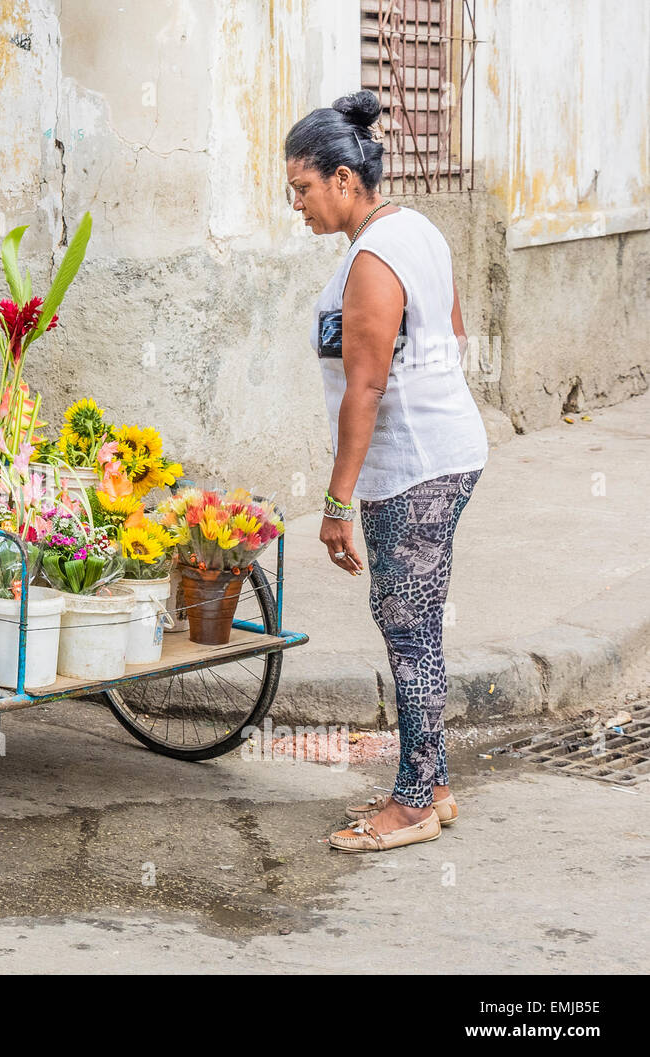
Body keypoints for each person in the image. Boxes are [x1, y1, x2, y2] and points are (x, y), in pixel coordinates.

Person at [284, 90, 489, 852]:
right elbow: (457, 337)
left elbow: (365, 389)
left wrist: (337, 502)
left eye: (302, 188)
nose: (297, 204)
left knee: (408, 628)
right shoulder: (417, 232)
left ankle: (411, 804)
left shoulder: (373, 259)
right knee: (417, 623)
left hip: (414, 468)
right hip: (446, 452)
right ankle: (430, 780)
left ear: (343, 178)